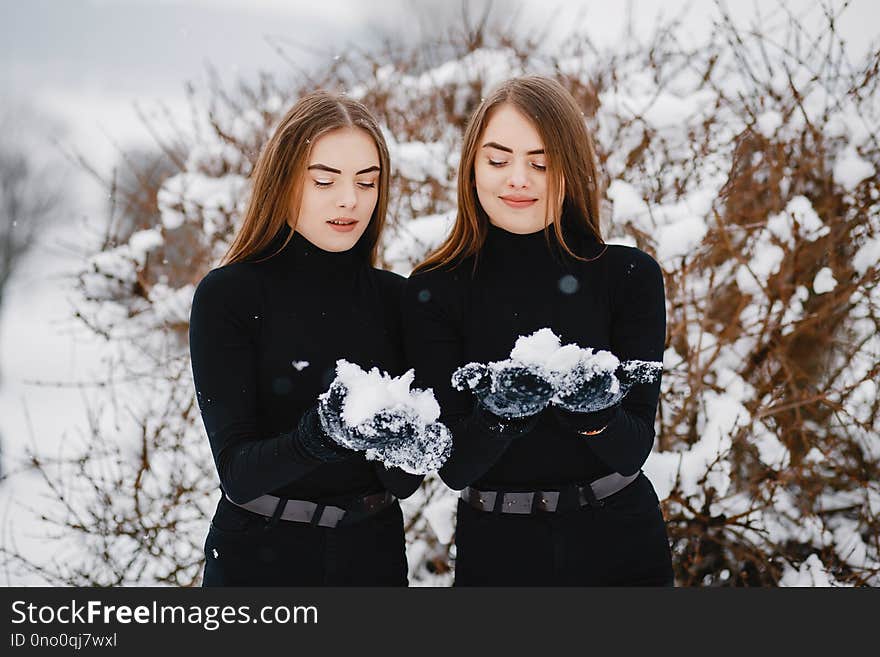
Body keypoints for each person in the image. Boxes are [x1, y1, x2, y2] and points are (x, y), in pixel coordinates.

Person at [403, 76, 674, 586]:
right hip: (499, 552)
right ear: (472, 168)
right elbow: (456, 467)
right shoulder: (434, 290)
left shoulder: (628, 276)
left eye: (541, 162)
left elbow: (632, 448)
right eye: (498, 160)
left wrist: (596, 412)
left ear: (569, 167)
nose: (519, 180)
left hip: (621, 546)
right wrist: (499, 417)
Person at [190, 91, 423, 586]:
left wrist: (406, 441)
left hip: (373, 558)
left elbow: (405, 481)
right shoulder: (229, 296)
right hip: (259, 562)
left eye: (367, 182)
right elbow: (238, 472)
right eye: (324, 181)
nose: (349, 200)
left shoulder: (398, 300)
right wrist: (319, 435)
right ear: (284, 181)